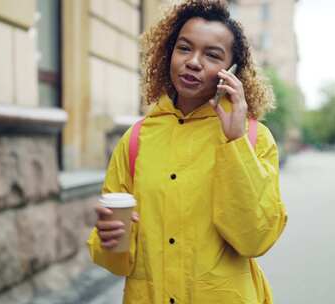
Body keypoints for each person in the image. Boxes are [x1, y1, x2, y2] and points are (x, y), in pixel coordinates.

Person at [87, 1, 288, 303]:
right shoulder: (136, 139)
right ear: (168, 54)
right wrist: (110, 239)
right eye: (184, 48)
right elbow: (117, 259)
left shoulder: (254, 138)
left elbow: (255, 237)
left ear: (232, 71)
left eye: (212, 55)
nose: (194, 62)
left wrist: (235, 141)